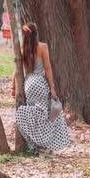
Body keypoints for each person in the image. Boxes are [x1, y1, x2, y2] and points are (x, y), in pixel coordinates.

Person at [14, 23, 72, 152]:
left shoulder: (23, 49)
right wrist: (52, 87)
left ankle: (36, 144)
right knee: (46, 114)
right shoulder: (42, 47)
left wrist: (13, 87)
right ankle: (44, 144)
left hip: (28, 84)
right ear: (36, 33)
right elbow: (47, 68)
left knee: (35, 113)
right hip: (40, 83)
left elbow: (17, 70)